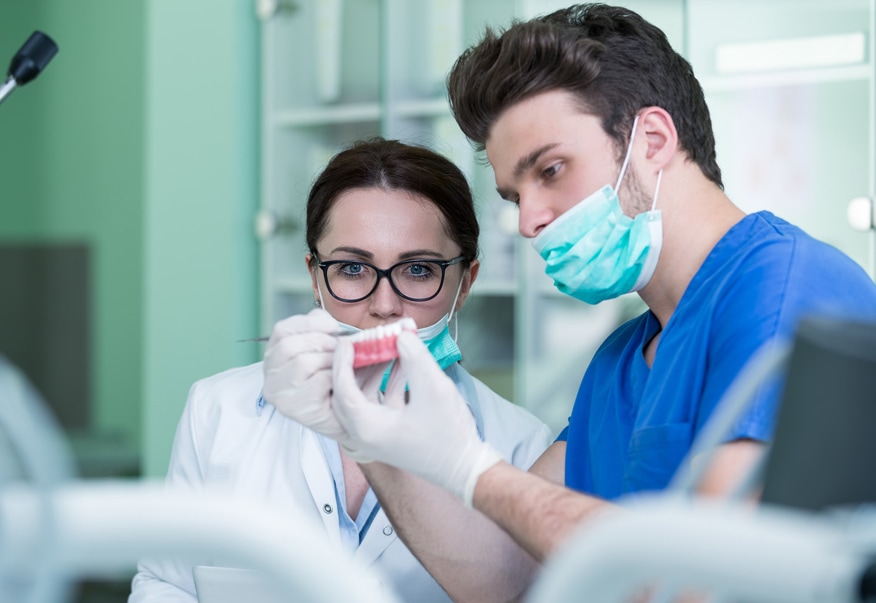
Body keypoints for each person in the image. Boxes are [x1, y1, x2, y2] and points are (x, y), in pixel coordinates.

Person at [262, 4, 876, 602]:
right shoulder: (621, 360)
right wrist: (367, 436)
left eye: (551, 170)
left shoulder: (786, 292)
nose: (529, 221)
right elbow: (505, 575)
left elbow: (710, 582)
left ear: (654, 139)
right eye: (513, 194)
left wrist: (475, 470)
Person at [128, 138, 552, 602]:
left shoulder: (522, 447)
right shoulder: (217, 410)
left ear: (464, 282)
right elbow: (165, 585)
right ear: (315, 276)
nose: (385, 306)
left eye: (418, 271)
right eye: (353, 268)